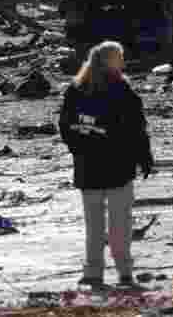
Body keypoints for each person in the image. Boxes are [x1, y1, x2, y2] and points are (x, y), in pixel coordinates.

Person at [59, 41, 154, 288]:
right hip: (118, 168)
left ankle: (93, 272)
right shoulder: (123, 91)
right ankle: (124, 272)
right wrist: (144, 158)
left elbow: (65, 127)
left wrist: (78, 149)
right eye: (120, 57)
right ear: (113, 61)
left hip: (87, 168)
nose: (123, 62)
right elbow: (137, 130)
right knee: (120, 225)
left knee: (94, 225)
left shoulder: (76, 90)